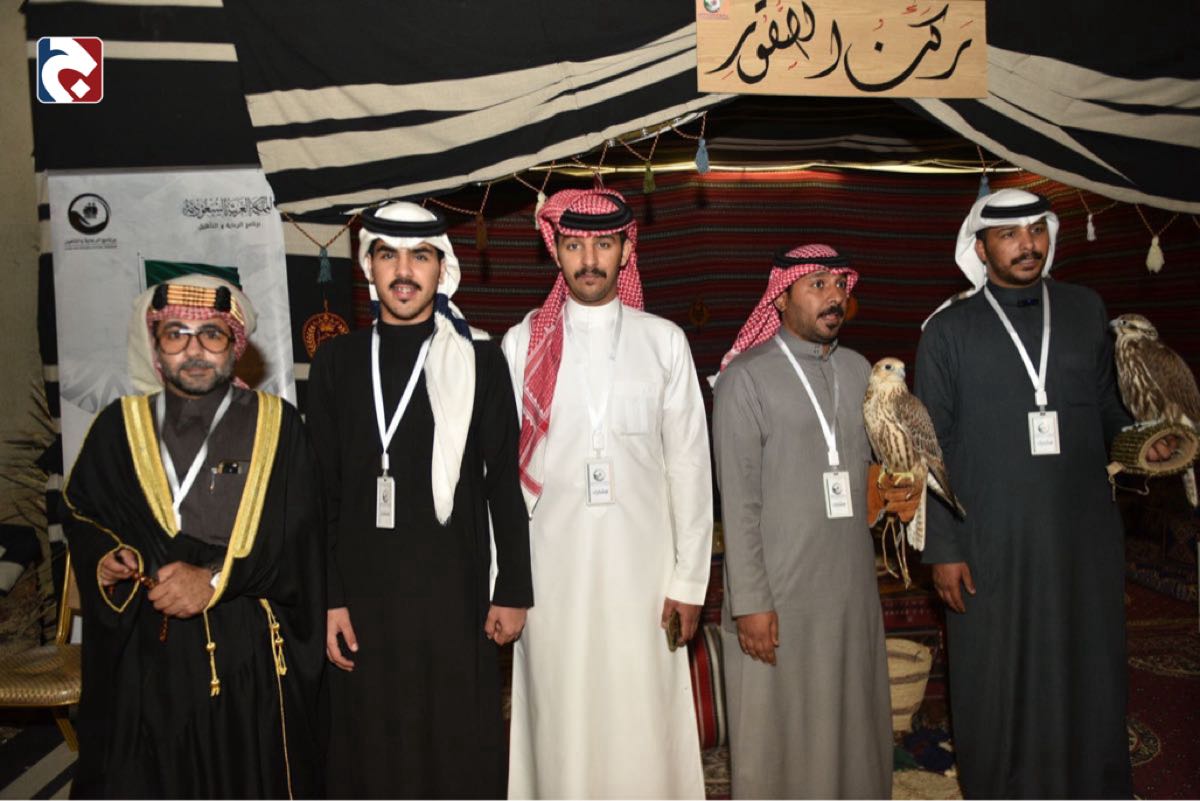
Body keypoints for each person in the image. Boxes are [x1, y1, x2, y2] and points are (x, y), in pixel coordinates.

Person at [915, 188, 1174, 798]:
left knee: (1089, 664)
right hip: (990, 536)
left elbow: (1106, 406)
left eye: (1036, 230)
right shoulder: (947, 330)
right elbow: (932, 447)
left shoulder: (1085, 309)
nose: (1027, 244)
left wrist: (1141, 441)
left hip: (1081, 532)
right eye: (1009, 235)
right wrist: (943, 547)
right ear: (981, 248)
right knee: (996, 673)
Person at [61, 274, 325, 798]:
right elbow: (82, 513)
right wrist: (110, 556)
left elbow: (300, 536)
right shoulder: (118, 427)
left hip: (245, 648)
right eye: (176, 334)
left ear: (235, 346)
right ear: (156, 347)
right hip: (146, 650)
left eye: (211, 334)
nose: (194, 349)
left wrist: (214, 579)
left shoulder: (279, 426)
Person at [306, 201, 531, 798]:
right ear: (369, 266)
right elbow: (321, 492)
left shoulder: (479, 359)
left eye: (420, 256)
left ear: (441, 268)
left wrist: (512, 589)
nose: (404, 271)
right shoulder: (336, 362)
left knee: (453, 742)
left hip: (453, 591)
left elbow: (502, 483)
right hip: (362, 596)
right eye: (389, 255)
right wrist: (329, 598)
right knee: (368, 744)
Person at [501, 188, 713, 799]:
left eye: (603, 244)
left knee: (641, 722)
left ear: (626, 250)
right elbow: (500, 479)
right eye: (574, 245)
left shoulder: (663, 341)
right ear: (557, 252)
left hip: (645, 578)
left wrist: (689, 582)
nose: (589, 259)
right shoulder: (523, 344)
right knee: (560, 720)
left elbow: (690, 468)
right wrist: (505, 582)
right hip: (551, 579)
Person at [711, 244, 893, 799]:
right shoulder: (746, 378)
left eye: (839, 284)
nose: (833, 296)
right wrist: (750, 602)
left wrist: (894, 488)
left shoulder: (860, 370)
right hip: (779, 594)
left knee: (853, 723)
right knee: (778, 733)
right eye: (816, 285)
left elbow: (869, 470)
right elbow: (738, 502)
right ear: (780, 298)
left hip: (850, 588)